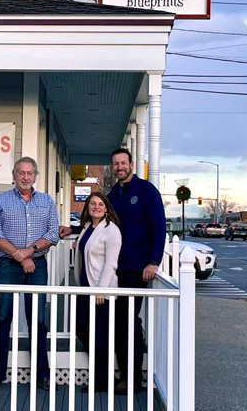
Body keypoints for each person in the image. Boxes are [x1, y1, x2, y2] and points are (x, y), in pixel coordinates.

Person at [0, 157, 60, 391]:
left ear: (35, 176)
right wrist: (20, 256)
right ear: (14, 176)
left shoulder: (47, 201)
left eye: (29, 173)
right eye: (21, 173)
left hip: (37, 267)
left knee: (38, 321)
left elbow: (53, 233)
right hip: (8, 266)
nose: (25, 177)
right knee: (3, 318)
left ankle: (42, 374)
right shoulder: (0, 200)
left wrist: (29, 252)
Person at [106, 148, 166, 394]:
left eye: (123, 162)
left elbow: (159, 227)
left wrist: (154, 261)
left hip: (137, 269)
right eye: (115, 164)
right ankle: (125, 374)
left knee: (129, 321)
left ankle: (133, 379)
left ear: (131, 164)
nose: (119, 167)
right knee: (119, 321)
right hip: (115, 269)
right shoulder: (112, 194)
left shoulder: (146, 191)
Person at [72, 191, 121, 392]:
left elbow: (111, 263)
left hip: (101, 291)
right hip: (85, 287)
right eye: (92, 204)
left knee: (101, 336)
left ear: (107, 208)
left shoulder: (112, 231)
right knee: (82, 327)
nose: (96, 207)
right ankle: (102, 374)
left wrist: (101, 290)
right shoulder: (87, 228)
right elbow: (85, 247)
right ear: (88, 207)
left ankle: (103, 379)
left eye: (100, 204)